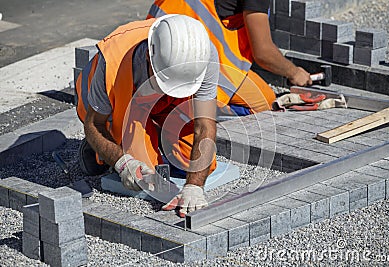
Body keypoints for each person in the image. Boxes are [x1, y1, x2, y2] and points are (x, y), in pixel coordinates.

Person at [75, 14, 220, 217]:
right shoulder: (112, 61)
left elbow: (205, 125)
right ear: (148, 57)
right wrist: (122, 162)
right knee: (144, 176)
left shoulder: (202, 55)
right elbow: (94, 124)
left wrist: (194, 186)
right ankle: (98, 151)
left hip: (161, 102)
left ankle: (158, 135)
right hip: (114, 102)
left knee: (199, 161)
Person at [147, 0, 313, 115]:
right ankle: (192, 112)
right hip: (190, 55)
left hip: (155, 39)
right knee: (264, 101)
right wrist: (294, 72)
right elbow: (263, 53)